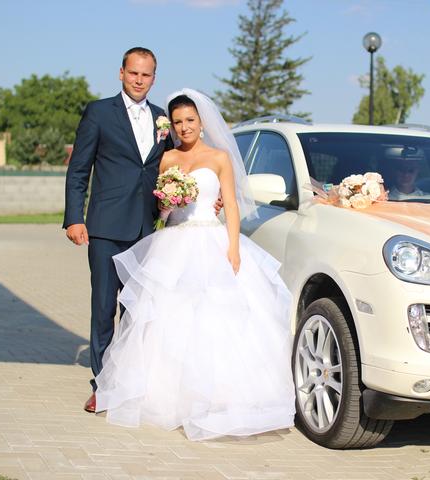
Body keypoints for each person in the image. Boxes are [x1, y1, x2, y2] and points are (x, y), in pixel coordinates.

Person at [93, 88, 295, 441]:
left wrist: (234, 247)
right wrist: (168, 203)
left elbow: (231, 204)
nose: (184, 127)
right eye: (177, 122)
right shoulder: (167, 159)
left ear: (202, 122)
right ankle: (166, 395)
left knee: (215, 317)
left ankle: (218, 397)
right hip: (174, 242)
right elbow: (160, 211)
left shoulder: (219, 157)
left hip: (211, 239)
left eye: (189, 120)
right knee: (168, 318)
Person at [63, 47, 171, 414]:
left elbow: (173, 167)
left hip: (146, 227)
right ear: (121, 73)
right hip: (106, 227)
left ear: (154, 78)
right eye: (133, 73)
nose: (139, 80)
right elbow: (79, 169)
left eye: (146, 75)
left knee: (137, 310)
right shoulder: (98, 112)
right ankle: (103, 386)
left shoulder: (162, 119)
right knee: (104, 307)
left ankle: (131, 382)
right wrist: (74, 217)